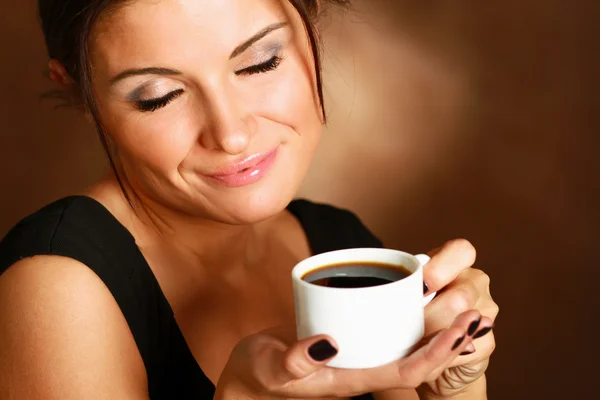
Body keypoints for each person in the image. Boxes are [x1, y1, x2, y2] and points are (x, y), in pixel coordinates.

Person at [0, 0, 498, 399]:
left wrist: (455, 389)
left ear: (313, 25)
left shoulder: (340, 242)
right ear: (81, 96)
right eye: (157, 96)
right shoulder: (57, 285)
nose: (231, 134)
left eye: (262, 62)